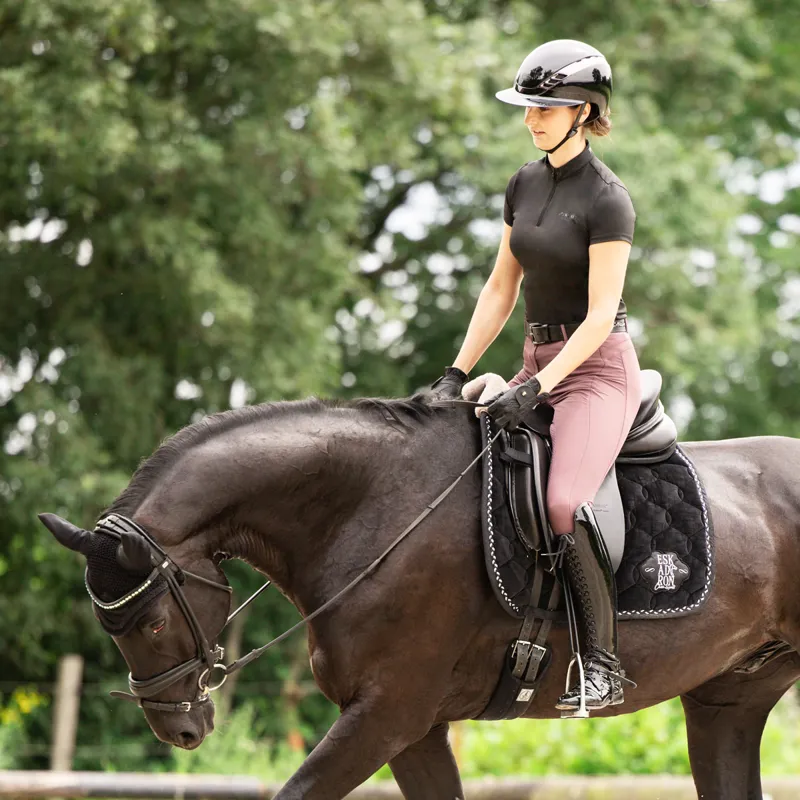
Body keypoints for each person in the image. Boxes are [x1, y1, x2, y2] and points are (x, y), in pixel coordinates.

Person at [426, 39, 642, 712]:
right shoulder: (522, 182)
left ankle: (603, 666)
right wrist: (456, 369)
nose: (532, 119)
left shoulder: (609, 200)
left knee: (562, 504)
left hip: (594, 373)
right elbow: (500, 289)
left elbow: (601, 316)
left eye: (546, 108)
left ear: (584, 112)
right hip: (532, 362)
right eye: (529, 107)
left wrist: (539, 390)